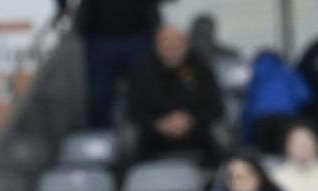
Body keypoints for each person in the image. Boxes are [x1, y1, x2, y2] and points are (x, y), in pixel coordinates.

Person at [124, 23, 226, 164]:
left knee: (219, 136)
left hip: (196, 131)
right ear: (156, 46)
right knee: (130, 141)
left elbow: (216, 108)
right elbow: (133, 112)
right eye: (166, 43)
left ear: (187, 45)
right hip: (154, 134)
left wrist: (190, 120)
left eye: (177, 43)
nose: (172, 48)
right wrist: (159, 124)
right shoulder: (142, 71)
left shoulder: (202, 69)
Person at [73, 0, 159, 130]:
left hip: (138, 36)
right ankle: (100, 141)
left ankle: (145, 139)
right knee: (98, 99)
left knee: (144, 95)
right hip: (100, 39)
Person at [239, 49, 313, 155]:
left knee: (265, 156)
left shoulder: (254, 75)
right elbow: (305, 96)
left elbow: (249, 106)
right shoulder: (288, 72)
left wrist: (246, 138)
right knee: (286, 154)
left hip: (262, 120)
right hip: (286, 118)